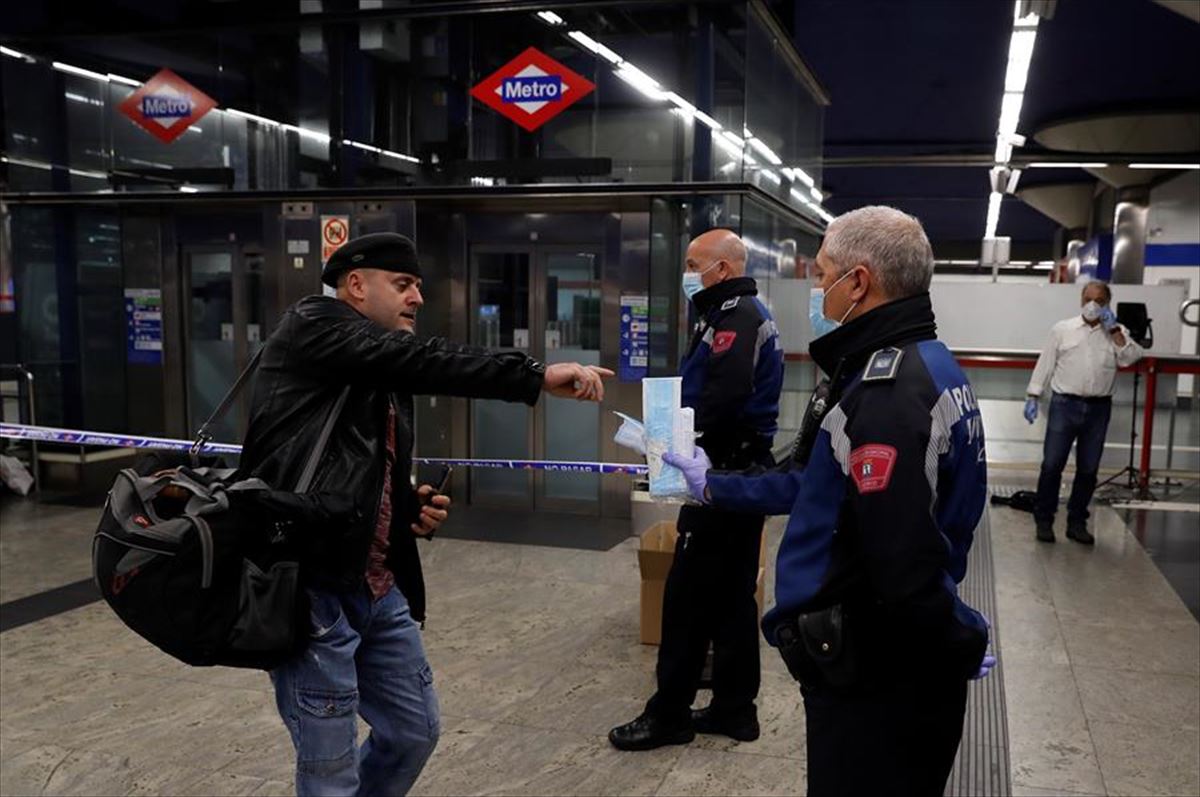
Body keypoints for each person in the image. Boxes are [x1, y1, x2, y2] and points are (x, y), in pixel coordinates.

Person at [237, 232, 611, 797]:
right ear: (356, 286)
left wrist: (403, 508)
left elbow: (353, 463)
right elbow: (421, 359)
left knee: (414, 732)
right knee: (328, 768)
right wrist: (532, 376)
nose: (416, 298)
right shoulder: (314, 323)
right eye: (403, 284)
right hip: (312, 587)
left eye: (418, 287)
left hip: (377, 584)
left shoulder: (375, 362)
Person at [665, 207, 995, 796]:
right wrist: (713, 485)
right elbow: (810, 478)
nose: (818, 291)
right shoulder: (923, 365)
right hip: (891, 650)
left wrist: (960, 636)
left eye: (823, 276)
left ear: (859, 282)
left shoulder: (888, 395)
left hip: (878, 664)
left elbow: (902, 562)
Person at [609, 229, 784, 751]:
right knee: (731, 595)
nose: (687, 273)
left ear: (722, 269)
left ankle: (669, 715)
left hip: (721, 473)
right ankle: (735, 709)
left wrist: (670, 452)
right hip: (733, 471)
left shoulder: (738, 318)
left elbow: (719, 402)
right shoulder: (723, 314)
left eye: (693, 263)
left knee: (686, 595)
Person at [1024, 281, 1144, 544]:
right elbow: (1046, 363)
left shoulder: (1115, 332)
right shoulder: (1063, 329)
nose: (1092, 305)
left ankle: (1077, 522)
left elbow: (1131, 357)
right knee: (1052, 465)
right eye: (1088, 299)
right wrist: (1034, 394)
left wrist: (1114, 330)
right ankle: (1044, 519)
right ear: (1081, 300)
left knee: (1088, 469)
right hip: (1064, 405)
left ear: (1107, 303)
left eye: (1099, 300)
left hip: (1098, 409)